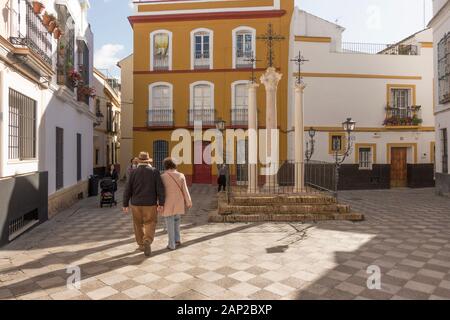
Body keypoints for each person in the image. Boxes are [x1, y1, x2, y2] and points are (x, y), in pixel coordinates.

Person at [123, 152, 165, 257]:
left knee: (137, 224)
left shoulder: (133, 172)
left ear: (139, 161)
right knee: (151, 222)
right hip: (150, 203)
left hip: (136, 203)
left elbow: (127, 189)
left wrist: (125, 204)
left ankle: (141, 245)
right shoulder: (154, 171)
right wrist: (161, 203)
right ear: (148, 161)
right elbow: (160, 188)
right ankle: (147, 240)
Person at [160, 158, 192, 250]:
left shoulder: (163, 176)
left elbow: (161, 192)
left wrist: (159, 203)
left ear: (165, 165)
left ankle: (171, 244)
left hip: (168, 203)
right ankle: (177, 240)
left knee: (169, 224)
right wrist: (188, 201)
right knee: (177, 221)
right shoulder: (181, 175)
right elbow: (185, 190)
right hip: (179, 202)